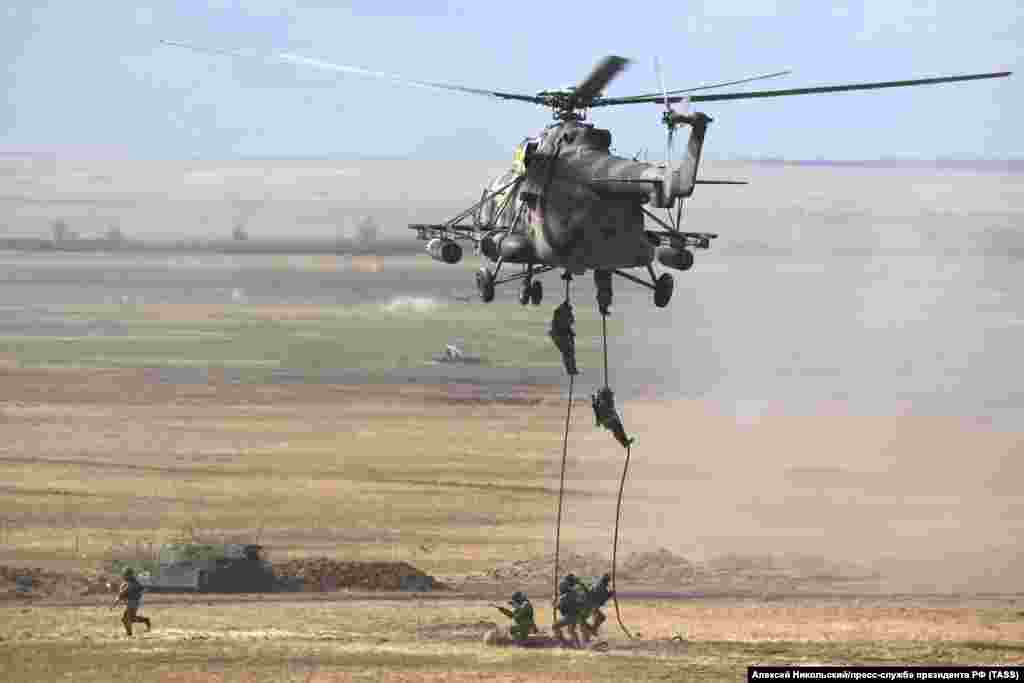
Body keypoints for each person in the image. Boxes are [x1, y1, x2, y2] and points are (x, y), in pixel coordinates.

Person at [112, 568, 150, 637]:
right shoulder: (128, 582)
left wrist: (116, 601)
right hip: (132, 603)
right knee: (131, 618)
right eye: (124, 574)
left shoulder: (133, 583)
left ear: (129, 575)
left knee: (126, 619)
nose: (124, 575)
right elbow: (122, 594)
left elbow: (123, 593)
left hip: (133, 603)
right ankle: (145, 620)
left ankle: (129, 634)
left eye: (126, 574)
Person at [548, 300, 579, 376]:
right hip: (558, 335)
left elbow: (569, 323)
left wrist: (570, 332)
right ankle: (570, 369)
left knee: (569, 352)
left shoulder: (563, 313)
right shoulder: (559, 313)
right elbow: (566, 323)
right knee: (568, 351)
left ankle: (572, 368)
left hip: (562, 335)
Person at [552, 574, 582, 648]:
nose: (560, 588)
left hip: (570, 616)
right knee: (571, 630)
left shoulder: (566, 596)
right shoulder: (573, 592)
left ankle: (565, 642)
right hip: (575, 615)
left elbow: (558, 606)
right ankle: (578, 645)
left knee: (555, 626)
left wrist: (554, 602)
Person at [582, 573, 615, 639]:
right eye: (608, 581)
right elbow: (602, 598)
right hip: (590, 605)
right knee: (600, 617)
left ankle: (591, 631)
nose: (608, 583)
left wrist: (610, 594)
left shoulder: (599, 584)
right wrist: (610, 594)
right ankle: (591, 631)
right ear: (606, 581)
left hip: (591, 605)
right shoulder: (601, 587)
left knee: (600, 618)